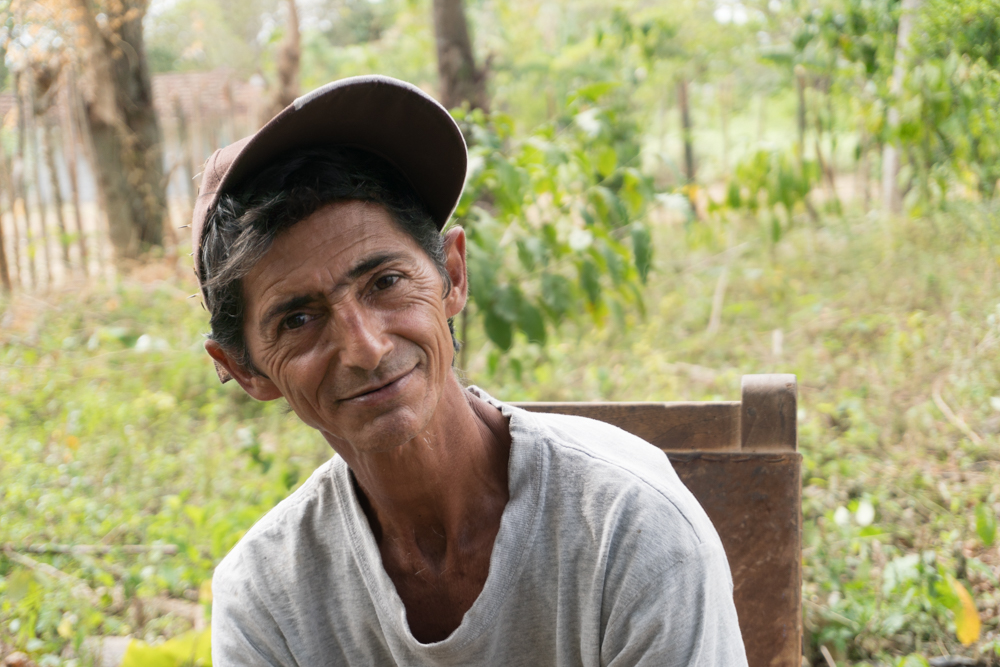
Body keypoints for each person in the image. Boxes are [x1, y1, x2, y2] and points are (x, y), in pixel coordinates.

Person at [192, 75, 747, 666]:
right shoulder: (266, 599)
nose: (366, 348)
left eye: (385, 282)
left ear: (452, 275)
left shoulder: (628, 529)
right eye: (298, 320)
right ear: (246, 371)